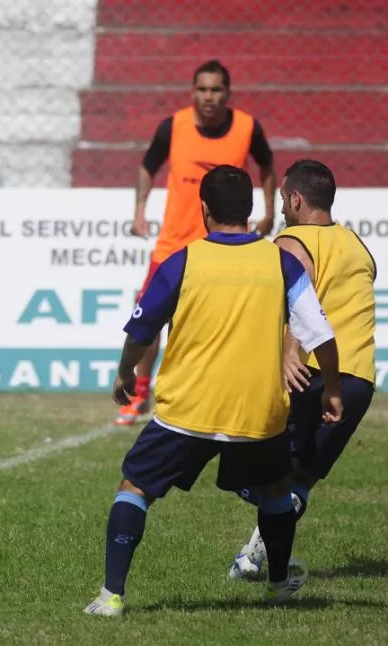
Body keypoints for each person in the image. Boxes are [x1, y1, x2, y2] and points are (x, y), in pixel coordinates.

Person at [84, 165, 343, 617]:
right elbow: (320, 334)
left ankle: (111, 597)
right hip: (258, 413)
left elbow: (142, 330)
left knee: (135, 488)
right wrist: (332, 390)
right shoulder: (279, 262)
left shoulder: (183, 261)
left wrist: (126, 373)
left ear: (203, 209)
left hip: (188, 411)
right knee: (277, 487)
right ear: (251, 211)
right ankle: (279, 583)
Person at [229, 159, 377, 579]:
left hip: (309, 373)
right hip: (358, 380)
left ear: (296, 198)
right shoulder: (356, 245)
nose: (279, 209)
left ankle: (263, 542)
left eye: (281, 200)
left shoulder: (292, 240)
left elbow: (300, 293)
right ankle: (253, 559)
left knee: (252, 466)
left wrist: (288, 352)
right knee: (301, 481)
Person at [116, 59, 277, 427]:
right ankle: (139, 395)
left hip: (227, 246)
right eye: (202, 89)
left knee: (230, 324)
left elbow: (268, 166)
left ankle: (227, 396)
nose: (209, 97)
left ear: (228, 94)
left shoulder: (247, 127)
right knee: (151, 321)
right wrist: (139, 210)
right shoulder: (172, 126)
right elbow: (147, 166)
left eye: (216, 90)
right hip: (172, 246)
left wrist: (270, 211)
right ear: (193, 92)